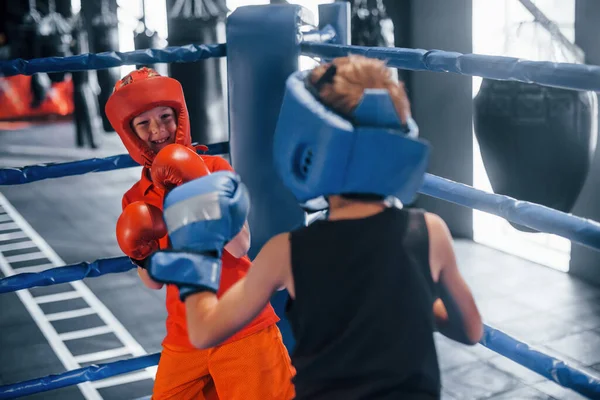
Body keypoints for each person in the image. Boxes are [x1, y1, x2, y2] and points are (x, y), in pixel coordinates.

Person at [146, 56, 483, 399]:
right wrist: (403, 297)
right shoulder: (430, 231)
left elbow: (204, 331)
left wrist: (197, 249)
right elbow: (470, 329)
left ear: (306, 142)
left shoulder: (286, 252)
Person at [104, 67, 295, 400]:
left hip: (241, 325)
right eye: (143, 123)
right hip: (186, 334)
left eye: (165, 116)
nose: (158, 130)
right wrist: (141, 253)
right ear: (131, 134)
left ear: (180, 116)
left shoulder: (214, 169)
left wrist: (199, 188)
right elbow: (153, 282)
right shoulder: (136, 198)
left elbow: (241, 246)